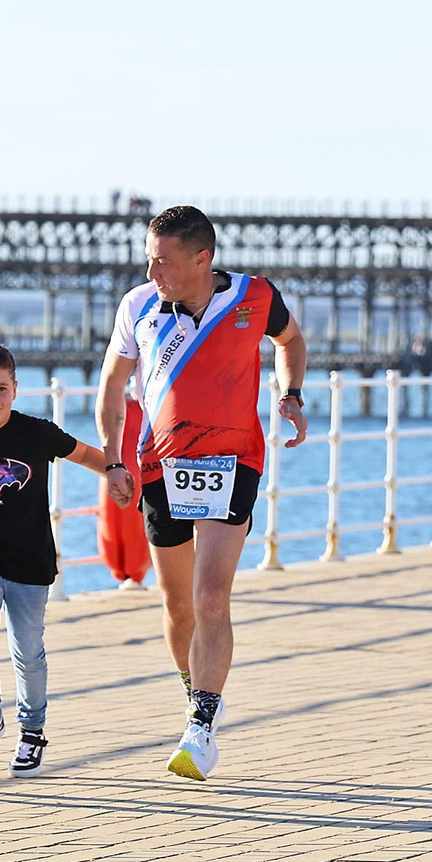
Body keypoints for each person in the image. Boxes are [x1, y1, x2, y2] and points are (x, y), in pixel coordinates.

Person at [95, 205, 307, 782]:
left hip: (232, 461)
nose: (152, 271)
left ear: (201, 259)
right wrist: (112, 459)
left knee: (211, 597)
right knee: (178, 605)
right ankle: (196, 693)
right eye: (149, 259)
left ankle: (201, 726)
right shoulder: (138, 306)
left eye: (162, 261)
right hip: (159, 464)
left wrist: (291, 393)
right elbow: (113, 384)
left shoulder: (254, 296)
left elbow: (290, 340)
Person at [0, 343, 108, 777]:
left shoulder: (36, 433)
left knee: (27, 651)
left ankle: (32, 731)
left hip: (30, 556)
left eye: (1, 389)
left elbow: (85, 454)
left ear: (15, 388)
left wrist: (121, 473)